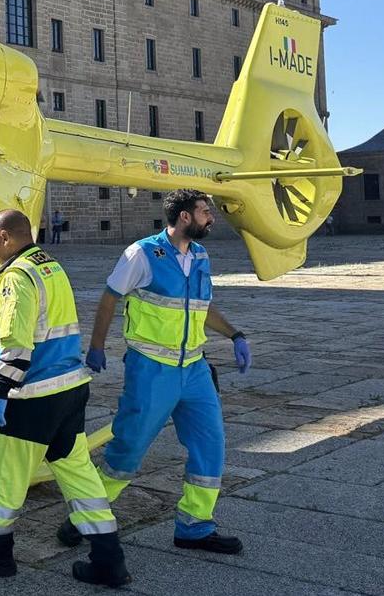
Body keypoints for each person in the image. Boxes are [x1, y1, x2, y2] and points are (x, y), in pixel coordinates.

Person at [0, 209, 129, 586]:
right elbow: (42, 319)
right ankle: (109, 558)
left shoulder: (15, 276)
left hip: (30, 396)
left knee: (2, 475)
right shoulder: (48, 265)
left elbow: (17, 345)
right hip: (68, 390)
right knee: (79, 475)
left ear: (7, 238)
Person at [70, 189, 250, 555]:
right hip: (152, 370)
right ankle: (84, 517)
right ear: (184, 217)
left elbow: (203, 307)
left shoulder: (200, 255)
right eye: (203, 212)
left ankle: (195, 526)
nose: (210, 217)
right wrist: (97, 346)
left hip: (195, 371)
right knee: (128, 450)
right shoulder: (142, 254)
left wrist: (235, 334)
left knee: (210, 445)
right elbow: (109, 298)